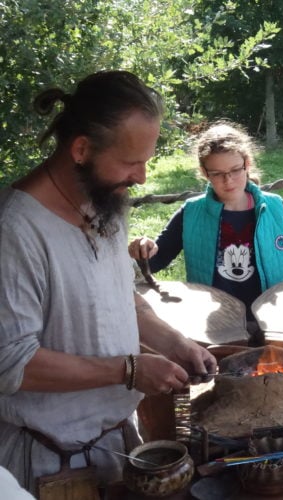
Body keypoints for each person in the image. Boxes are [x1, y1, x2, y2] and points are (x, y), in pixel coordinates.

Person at [0, 70, 217, 494]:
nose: (141, 177)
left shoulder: (104, 203)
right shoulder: (15, 230)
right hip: (49, 466)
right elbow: (12, 361)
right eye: (131, 162)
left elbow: (123, 299)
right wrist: (129, 369)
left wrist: (175, 343)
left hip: (116, 445)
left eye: (147, 161)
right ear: (81, 149)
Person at [129, 121, 283, 342]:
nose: (228, 180)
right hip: (213, 326)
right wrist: (144, 250)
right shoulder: (191, 213)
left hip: (271, 322)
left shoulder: (274, 208)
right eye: (217, 173)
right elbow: (156, 260)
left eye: (235, 170)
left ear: (247, 164)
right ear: (204, 173)